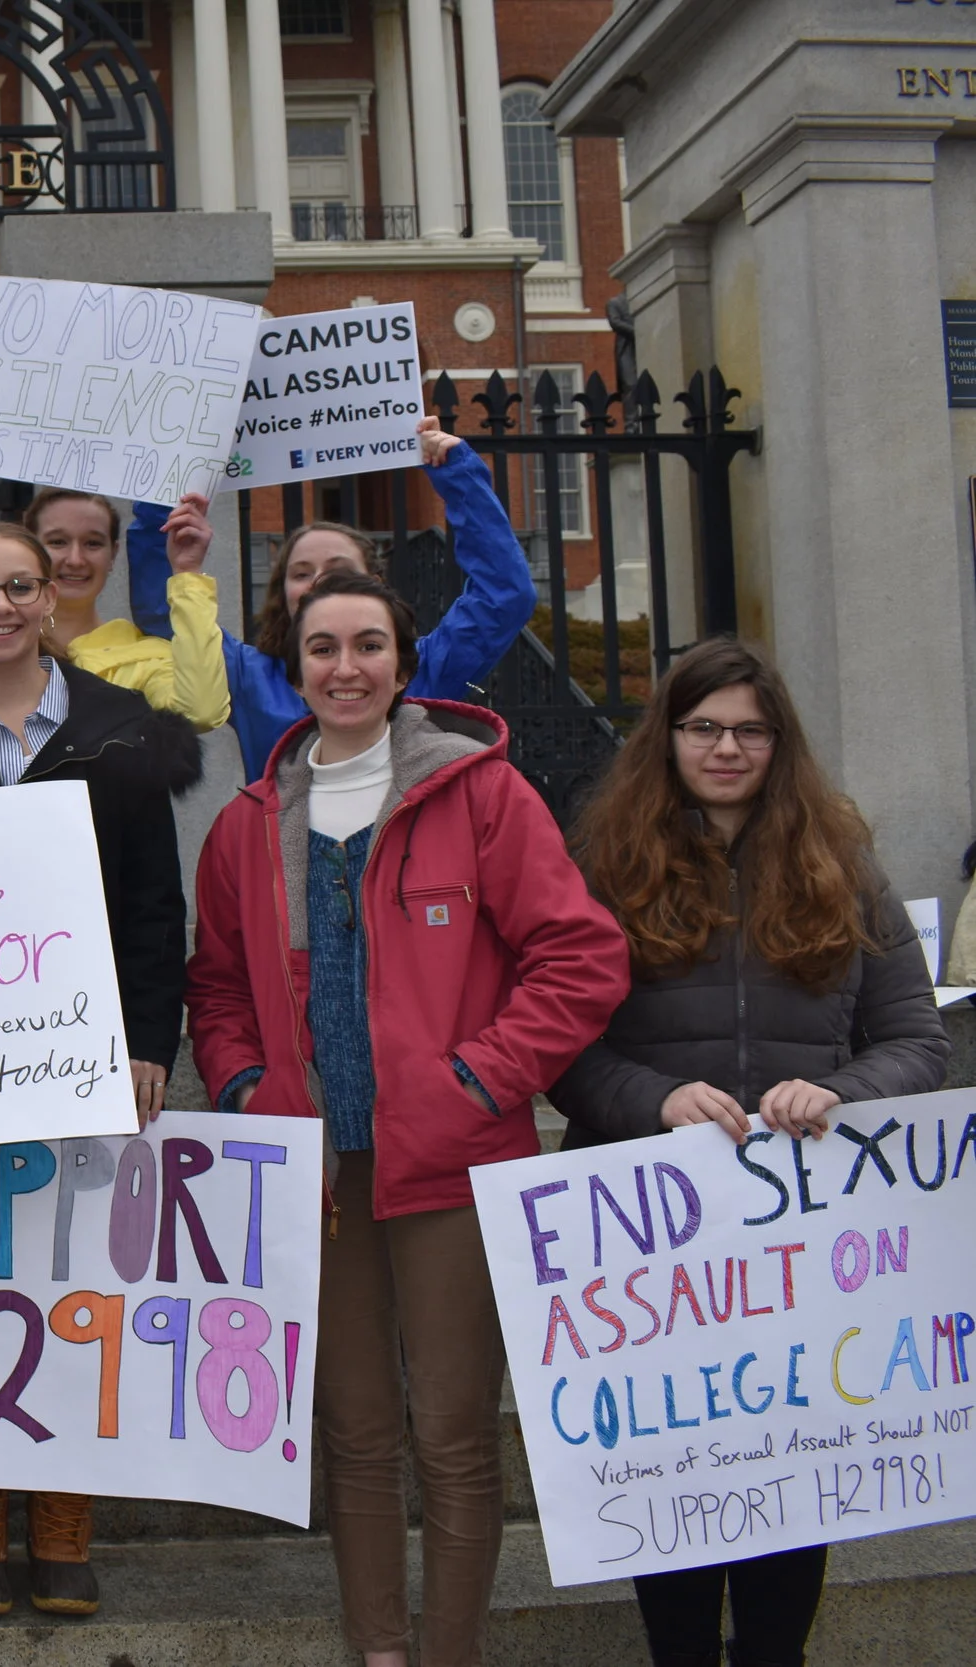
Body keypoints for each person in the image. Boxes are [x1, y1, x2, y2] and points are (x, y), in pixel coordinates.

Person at [185, 570, 629, 1667]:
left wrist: (480, 1079)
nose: (346, 667)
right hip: (313, 1171)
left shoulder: (478, 792)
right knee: (354, 1427)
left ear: (402, 660)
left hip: (449, 1160)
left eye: (368, 644)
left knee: (453, 1432)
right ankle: (376, 1645)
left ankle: (447, 1650)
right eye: (322, 647)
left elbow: (580, 958)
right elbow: (218, 987)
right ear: (292, 670)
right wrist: (244, 1087)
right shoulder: (247, 822)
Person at [552, 638, 946, 1667]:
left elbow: (917, 1036)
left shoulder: (843, 866)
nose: (725, 747)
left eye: (748, 730)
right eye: (702, 727)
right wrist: (654, 1097)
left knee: (790, 1468)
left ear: (777, 742)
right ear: (667, 736)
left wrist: (842, 1090)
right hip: (651, 1229)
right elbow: (555, 1040)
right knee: (672, 1471)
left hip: (801, 1232)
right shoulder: (601, 865)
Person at [0, 522, 199, 1619]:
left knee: (72, 1283)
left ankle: (62, 1519)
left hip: (83, 1045)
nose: (3, 604)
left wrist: (150, 1038)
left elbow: (156, 901)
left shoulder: (117, 727)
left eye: (21, 585)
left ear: (51, 598)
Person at [148, 415, 535, 774]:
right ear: (282, 594)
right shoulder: (249, 675)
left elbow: (503, 594)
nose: (319, 582)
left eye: (338, 570)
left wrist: (458, 477)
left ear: (376, 584)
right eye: (301, 573)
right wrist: (167, 506)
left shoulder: (423, 668)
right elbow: (161, 620)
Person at [22, 488, 228, 732]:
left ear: (113, 555)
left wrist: (187, 572)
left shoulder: (147, 658)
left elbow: (199, 713)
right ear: (28, 549)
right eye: (58, 542)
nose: (76, 559)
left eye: (93, 543)